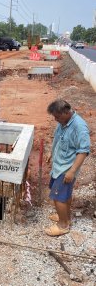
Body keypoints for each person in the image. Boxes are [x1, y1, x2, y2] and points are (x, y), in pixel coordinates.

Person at [45, 99, 90, 236]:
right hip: (58, 165)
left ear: (66, 112)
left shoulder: (79, 127)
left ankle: (63, 225)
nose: (55, 119)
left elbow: (83, 151)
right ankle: (65, 217)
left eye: (57, 117)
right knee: (64, 195)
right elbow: (58, 138)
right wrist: (51, 152)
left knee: (58, 197)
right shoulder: (63, 122)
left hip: (66, 168)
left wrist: (72, 171)